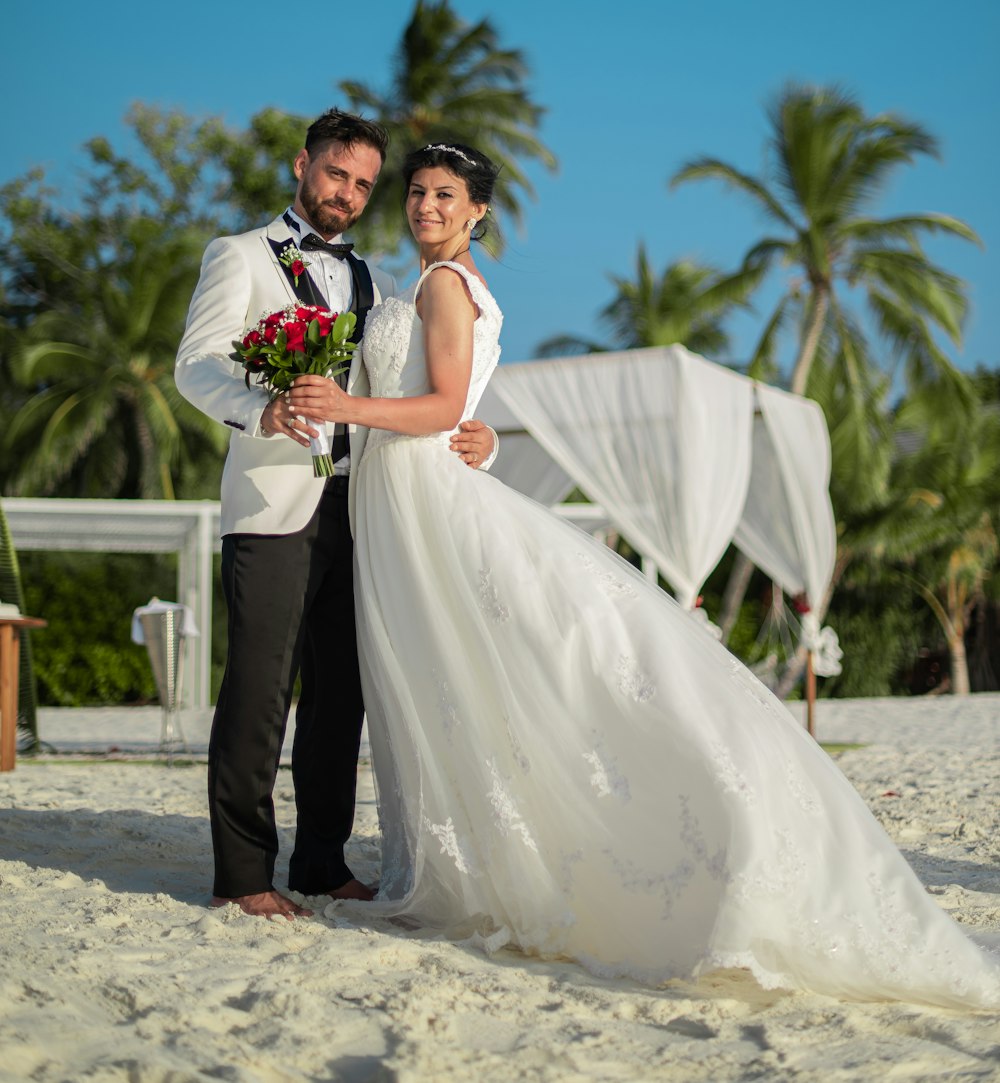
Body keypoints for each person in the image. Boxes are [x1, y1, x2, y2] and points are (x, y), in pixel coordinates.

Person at [287, 140, 1000, 1007]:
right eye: (418, 192)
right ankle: (464, 856)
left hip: (424, 504)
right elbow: (458, 404)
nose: (425, 206)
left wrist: (351, 406)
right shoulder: (432, 285)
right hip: (403, 499)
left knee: (498, 669)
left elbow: (440, 403)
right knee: (459, 679)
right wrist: (476, 433)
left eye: (445, 195)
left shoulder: (443, 284)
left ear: (479, 212)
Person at [174, 112, 497, 920]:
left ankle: (320, 861)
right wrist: (261, 409)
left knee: (340, 698)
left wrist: (478, 441)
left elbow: (416, 391)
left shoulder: (381, 286)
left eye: (361, 184)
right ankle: (243, 874)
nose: (346, 193)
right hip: (272, 502)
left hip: (362, 510)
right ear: (302, 166)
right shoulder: (238, 256)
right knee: (259, 690)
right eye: (334, 175)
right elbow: (196, 363)